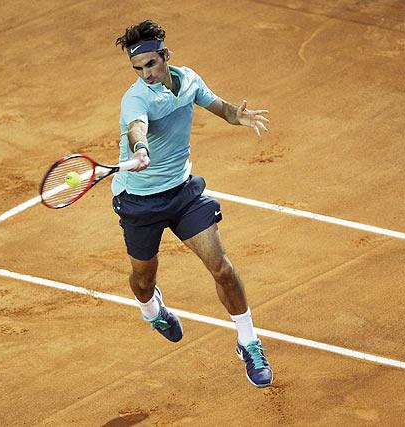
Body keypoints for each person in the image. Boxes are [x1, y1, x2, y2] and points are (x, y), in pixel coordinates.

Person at [112, 20, 273, 388]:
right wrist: (140, 147)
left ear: (166, 56)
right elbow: (137, 127)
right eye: (138, 68)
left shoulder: (188, 81)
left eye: (151, 64)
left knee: (223, 269)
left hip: (183, 193)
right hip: (139, 201)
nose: (146, 74)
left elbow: (221, 107)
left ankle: (248, 342)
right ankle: (152, 311)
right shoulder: (136, 98)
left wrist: (237, 115)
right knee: (143, 279)